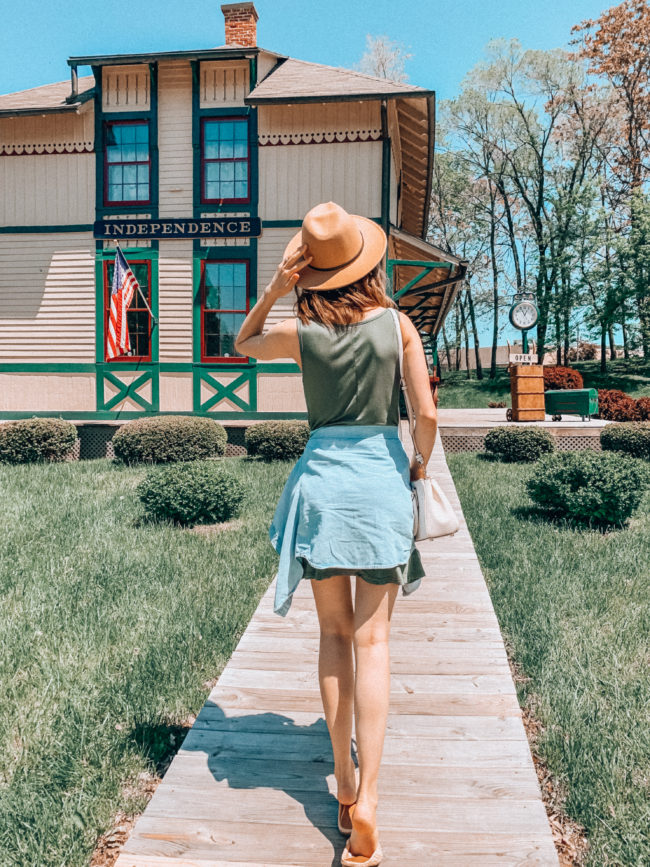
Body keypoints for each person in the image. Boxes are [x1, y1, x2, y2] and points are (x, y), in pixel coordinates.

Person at [234, 201, 437, 867]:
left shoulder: (302, 328)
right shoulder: (399, 324)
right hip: (379, 485)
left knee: (333, 637)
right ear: (368, 261)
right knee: (374, 642)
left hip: (321, 486)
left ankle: (342, 782)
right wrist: (417, 463)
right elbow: (427, 414)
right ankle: (370, 798)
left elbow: (242, 343)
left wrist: (275, 288)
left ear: (316, 271)